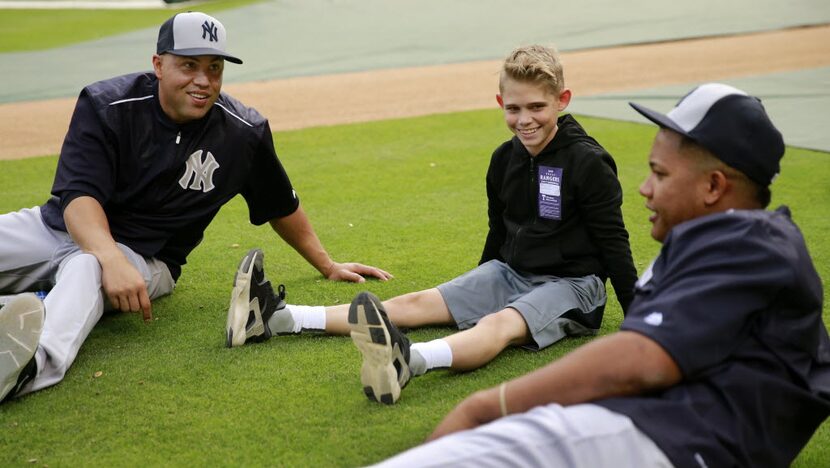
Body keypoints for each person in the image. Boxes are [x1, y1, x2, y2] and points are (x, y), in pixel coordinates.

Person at [371, 83, 830, 467]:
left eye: (659, 173)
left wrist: (489, 405)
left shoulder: (753, 244)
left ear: (714, 186)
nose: (645, 188)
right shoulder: (714, 245)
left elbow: (640, 359)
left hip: (659, 442)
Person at [0, 12, 390, 403]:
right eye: (189, 65)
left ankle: (30, 368)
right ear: (158, 65)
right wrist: (107, 254)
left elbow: (280, 205)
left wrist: (327, 265)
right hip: (56, 228)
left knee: (87, 268)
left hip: (145, 258)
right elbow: (78, 197)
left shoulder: (242, 134)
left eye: (214, 68)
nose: (203, 80)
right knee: (87, 259)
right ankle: (32, 305)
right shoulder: (108, 106)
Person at [226, 44, 638, 405]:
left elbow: (614, 241)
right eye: (514, 109)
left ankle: (411, 361)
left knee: (501, 323)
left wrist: (639, 322)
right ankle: (279, 317)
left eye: (537, 107)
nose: (524, 120)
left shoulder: (588, 163)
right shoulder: (503, 159)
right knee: (417, 302)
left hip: (572, 286)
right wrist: (480, 284)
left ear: (562, 100)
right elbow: (500, 230)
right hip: (511, 272)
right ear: (500, 104)